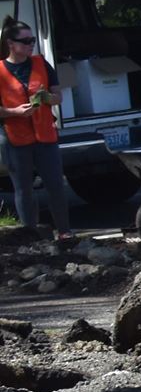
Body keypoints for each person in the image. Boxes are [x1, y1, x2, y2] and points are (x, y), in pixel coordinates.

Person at [0, 20, 74, 244]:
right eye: (26, 41)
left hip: (45, 135)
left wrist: (48, 98)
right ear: (11, 44)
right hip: (15, 138)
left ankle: (64, 232)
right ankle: (31, 236)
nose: (31, 44)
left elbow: (58, 96)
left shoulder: (42, 63)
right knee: (23, 189)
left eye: (32, 40)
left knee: (55, 185)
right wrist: (14, 111)